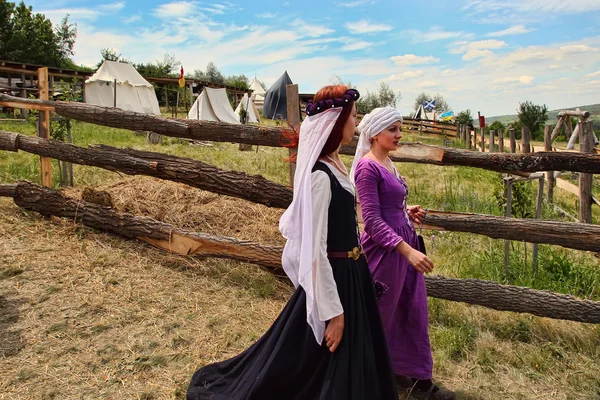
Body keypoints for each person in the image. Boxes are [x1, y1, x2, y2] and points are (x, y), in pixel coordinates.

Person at [186, 86, 398, 400]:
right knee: (316, 357)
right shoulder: (320, 177)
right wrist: (334, 313)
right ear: (336, 123)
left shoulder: (338, 166)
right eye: (353, 116)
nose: (357, 122)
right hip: (335, 277)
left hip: (352, 273)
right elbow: (315, 251)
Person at [351, 106, 455, 400]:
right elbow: (370, 221)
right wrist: (408, 251)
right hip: (386, 253)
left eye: (400, 128)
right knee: (383, 314)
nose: (399, 135)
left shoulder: (386, 162)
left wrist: (405, 212)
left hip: (401, 245)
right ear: (374, 134)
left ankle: (414, 376)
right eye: (392, 130)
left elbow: (387, 206)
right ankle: (368, 376)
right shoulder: (367, 167)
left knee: (411, 310)